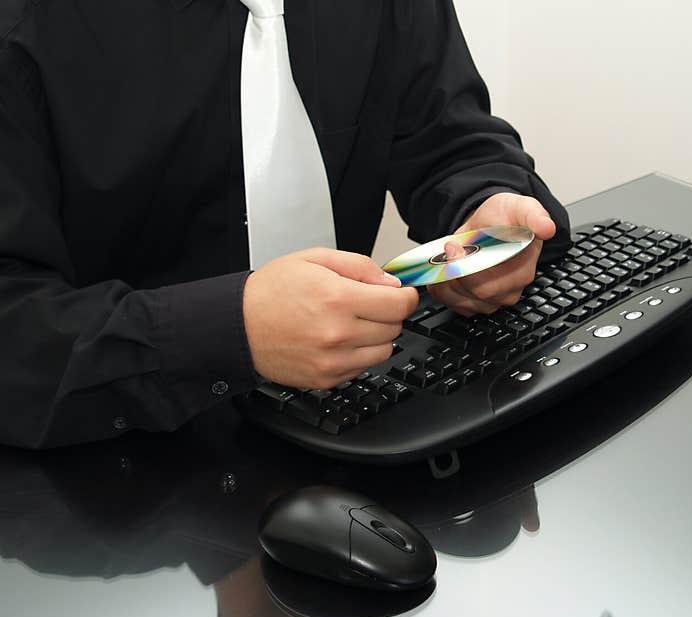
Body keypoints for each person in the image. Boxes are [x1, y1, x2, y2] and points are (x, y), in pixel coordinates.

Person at [0, 1, 570, 449]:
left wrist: (485, 212)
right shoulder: (27, 24)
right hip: (108, 484)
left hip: (355, 433)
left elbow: (451, 138)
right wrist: (230, 333)